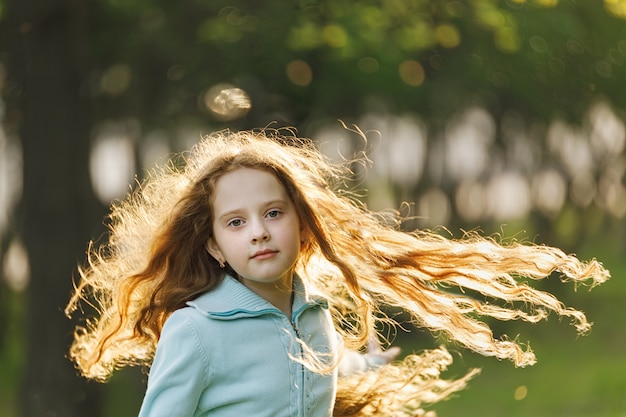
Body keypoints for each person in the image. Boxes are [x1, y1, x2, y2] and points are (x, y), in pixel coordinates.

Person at [66, 128, 609, 417]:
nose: (258, 231)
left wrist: (362, 363)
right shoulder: (197, 331)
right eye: (236, 222)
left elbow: (313, 364)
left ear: (302, 226)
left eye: (273, 213)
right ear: (213, 246)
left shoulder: (312, 313)